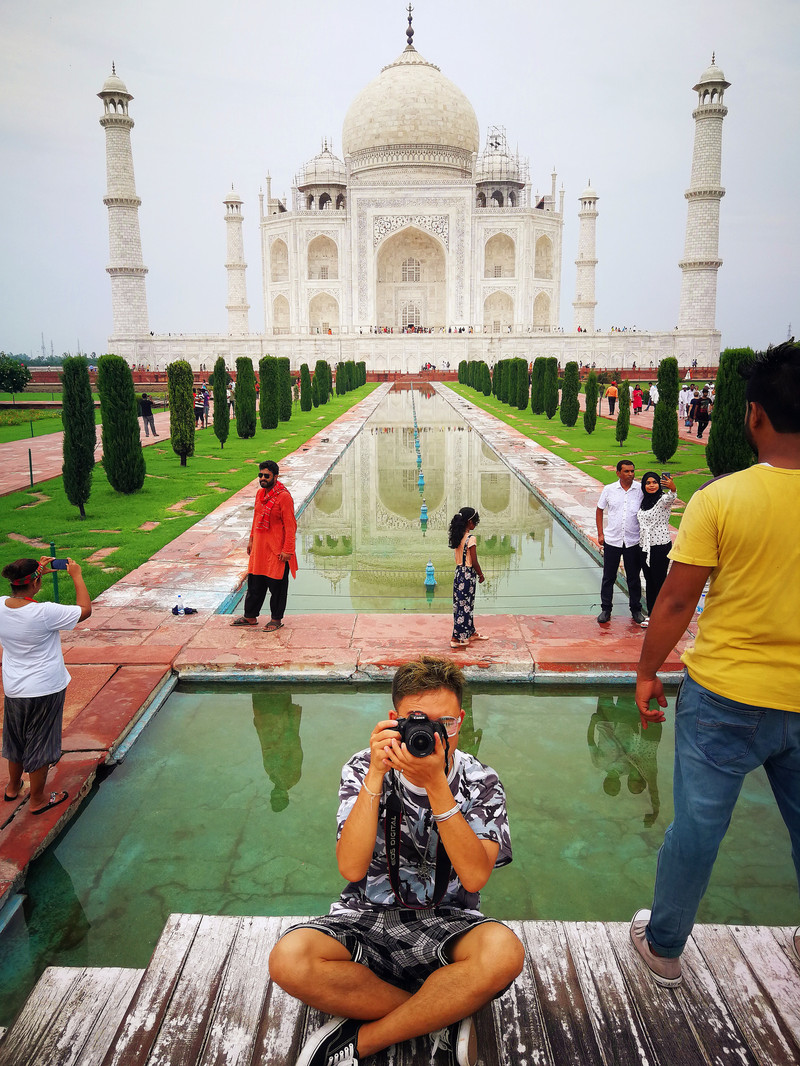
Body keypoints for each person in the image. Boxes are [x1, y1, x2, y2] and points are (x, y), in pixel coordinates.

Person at [630, 342, 800, 988]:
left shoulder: (721, 499)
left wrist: (647, 672)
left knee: (698, 826)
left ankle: (665, 946)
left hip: (726, 692)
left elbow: (675, 599)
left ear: (752, 415)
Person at [268, 655, 524, 1066]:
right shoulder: (361, 767)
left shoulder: (481, 781)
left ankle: (366, 1038)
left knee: (504, 953)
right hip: (365, 915)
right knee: (288, 959)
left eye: (447, 724)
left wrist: (437, 786)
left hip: (449, 921)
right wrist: (373, 776)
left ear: (461, 720)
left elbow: (475, 878)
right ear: (394, 720)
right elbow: (350, 869)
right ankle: (439, 1011)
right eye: (419, 720)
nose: (433, 735)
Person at [0, 557, 92, 814]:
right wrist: (76, 575)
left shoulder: (0, 606)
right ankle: (38, 800)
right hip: (44, 689)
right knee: (39, 742)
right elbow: (85, 610)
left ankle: (12, 787)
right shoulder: (45, 613)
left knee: (16, 739)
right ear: (37, 583)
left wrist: (37, 569)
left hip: (14, 688)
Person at [232, 460, 297, 632]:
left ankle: (276, 619)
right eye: (260, 475)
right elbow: (256, 519)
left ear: (276, 476)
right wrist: (251, 539)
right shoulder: (260, 494)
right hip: (260, 549)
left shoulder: (284, 497)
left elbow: (291, 526)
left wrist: (288, 550)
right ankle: (250, 616)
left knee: (277, 587)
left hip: (277, 551)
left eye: (266, 476)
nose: (262, 478)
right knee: (255, 583)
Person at [595, 459, 646, 625]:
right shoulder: (609, 489)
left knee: (633, 577)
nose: (630, 474)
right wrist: (600, 533)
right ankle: (606, 609)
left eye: (632, 471)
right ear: (618, 473)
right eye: (626, 471)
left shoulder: (640, 489)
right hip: (612, 540)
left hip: (633, 540)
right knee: (609, 576)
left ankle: (636, 610)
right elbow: (599, 509)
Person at [637, 471, 677, 625]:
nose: (651, 485)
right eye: (648, 483)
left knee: (659, 581)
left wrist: (672, 489)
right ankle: (652, 614)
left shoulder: (662, 500)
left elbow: (671, 498)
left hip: (659, 546)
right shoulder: (644, 502)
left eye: (654, 482)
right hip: (644, 547)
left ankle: (663, 616)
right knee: (649, 581)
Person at [447, 508, 486, 649]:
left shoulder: (458, 536)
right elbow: (474, 561)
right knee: (465, 606)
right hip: (468, 574)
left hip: (459, 573)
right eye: (475, 522)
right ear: (469, 522)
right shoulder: (471, 538)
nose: (475, 525)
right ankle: (456, 637)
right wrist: (481, 575)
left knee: (461, 605)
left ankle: (470, 632)